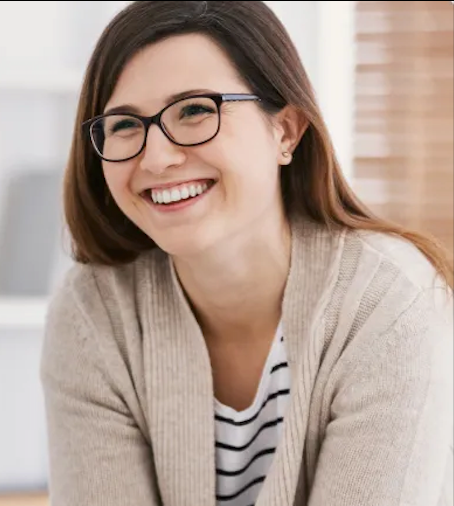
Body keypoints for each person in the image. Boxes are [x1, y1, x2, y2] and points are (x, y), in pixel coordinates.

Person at [39, 2, 454, 505]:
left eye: (195, 110)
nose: (157, 158)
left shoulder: (390, 301)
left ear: (285, 131)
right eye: (125, 124)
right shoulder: (95, 312)